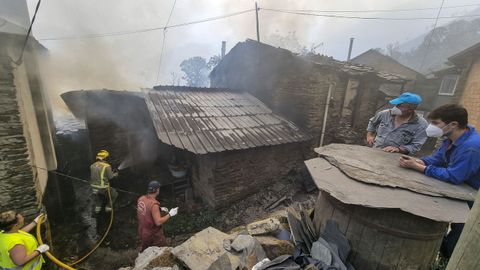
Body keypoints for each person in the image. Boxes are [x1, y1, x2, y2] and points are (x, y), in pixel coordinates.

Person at [398, 104, 480, 258]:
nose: (431, 127)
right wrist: (420, 161)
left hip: (474, 196)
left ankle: (450, 260)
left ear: (453, 124)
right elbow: (438, 159)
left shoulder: (472, 147)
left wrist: (420, 168)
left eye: (436, 123)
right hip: (464, 188)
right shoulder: (451, 138)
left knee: (462, 233)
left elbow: (454, 176)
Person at [137, 181, 178, 252]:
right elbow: (158, 222)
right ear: (157, 190)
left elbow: (145, 211)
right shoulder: (154, 205)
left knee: (145, 249)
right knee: (164, 251)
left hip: (142, 230)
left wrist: (159, 209)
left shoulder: (141, 199)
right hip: (153, 234)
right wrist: (170, 214)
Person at [90, 149, 119, 214]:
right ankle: (108, 208)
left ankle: (97, 211)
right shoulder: (107, 166)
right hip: (103, 188)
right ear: (104, 157)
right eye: (107, 157)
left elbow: (98, 175)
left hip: (93, 188)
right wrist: (115, 174)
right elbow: (110, 177)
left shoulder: (92, 165)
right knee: (114, 194)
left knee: (98, 198)